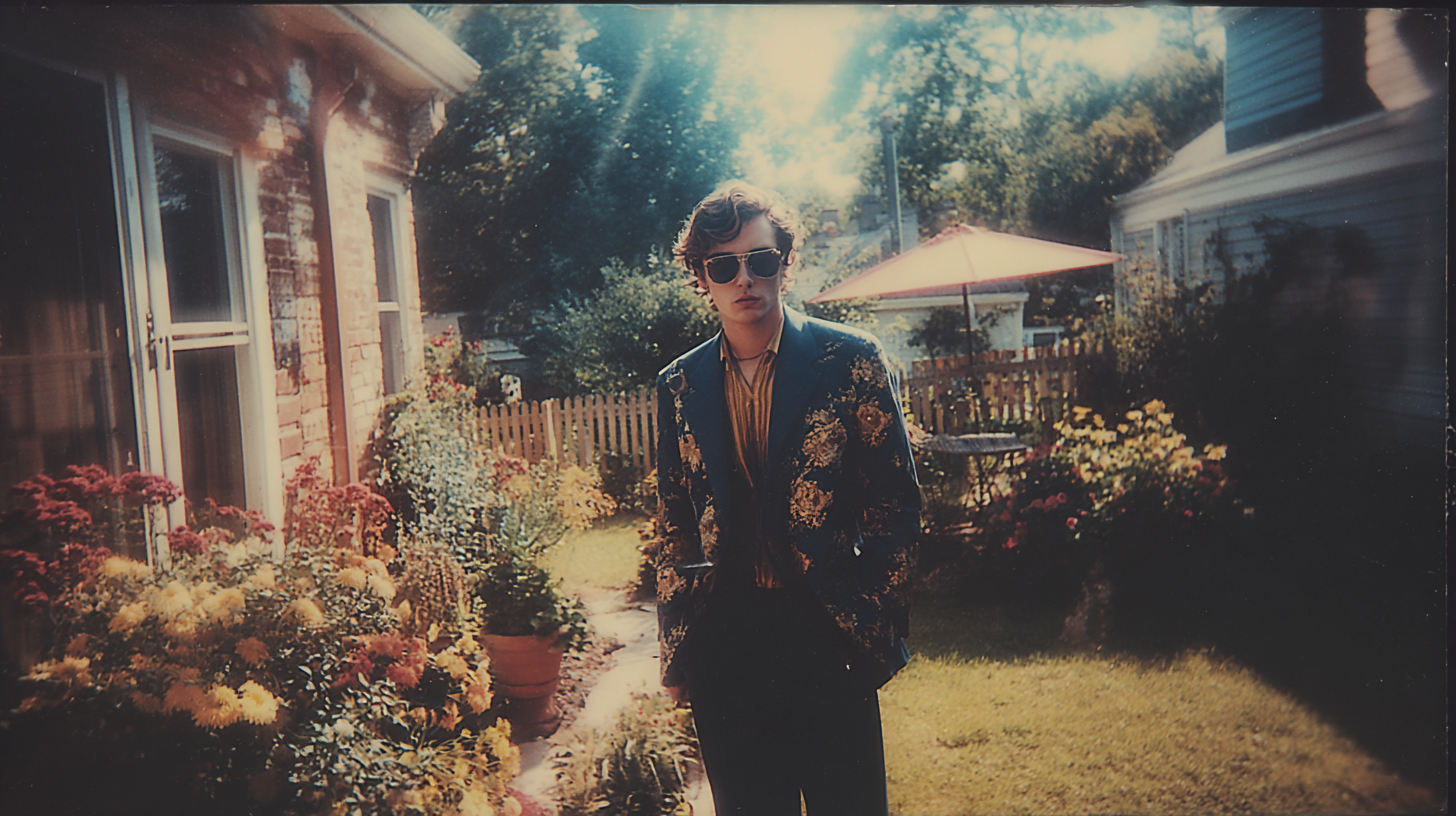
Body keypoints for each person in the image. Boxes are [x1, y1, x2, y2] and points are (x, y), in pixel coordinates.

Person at [654, 181, 921, 815]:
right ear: (702, 277)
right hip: (724, 643)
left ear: (785, 261)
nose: (744, 278)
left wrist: (869, 620)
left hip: (826, 632)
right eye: (724, 266)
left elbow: (896, 502)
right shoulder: (679, 384)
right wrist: (678, 648)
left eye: (761, 259)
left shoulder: (850, 360)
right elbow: (674, 520)